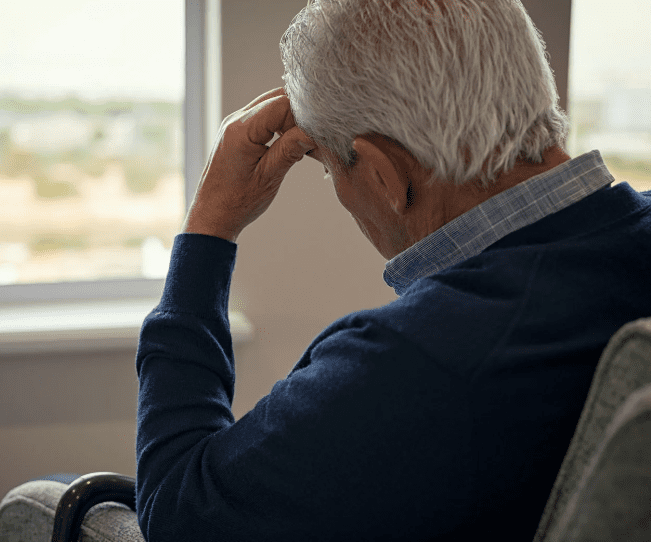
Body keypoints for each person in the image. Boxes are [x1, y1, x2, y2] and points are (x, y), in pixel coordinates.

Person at [135, 0, 651, 540]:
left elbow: (178, 510)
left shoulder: (420, 360)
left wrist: (208, 227)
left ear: (383, 175)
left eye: (331, 168)